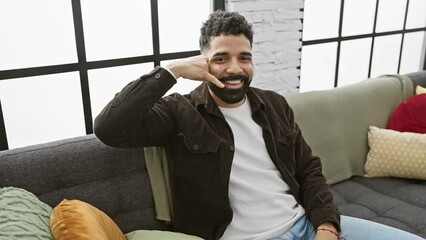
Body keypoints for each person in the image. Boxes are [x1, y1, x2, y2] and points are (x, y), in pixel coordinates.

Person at [94, 10, 424, 240]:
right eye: (221, 58)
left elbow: (308, 169)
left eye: (244, 57)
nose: (234, 69)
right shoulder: (178, 112)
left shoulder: (274, 104)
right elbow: (109, 127)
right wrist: (172, 71)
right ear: (202, 61)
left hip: (307, 225)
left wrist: (325, 225)